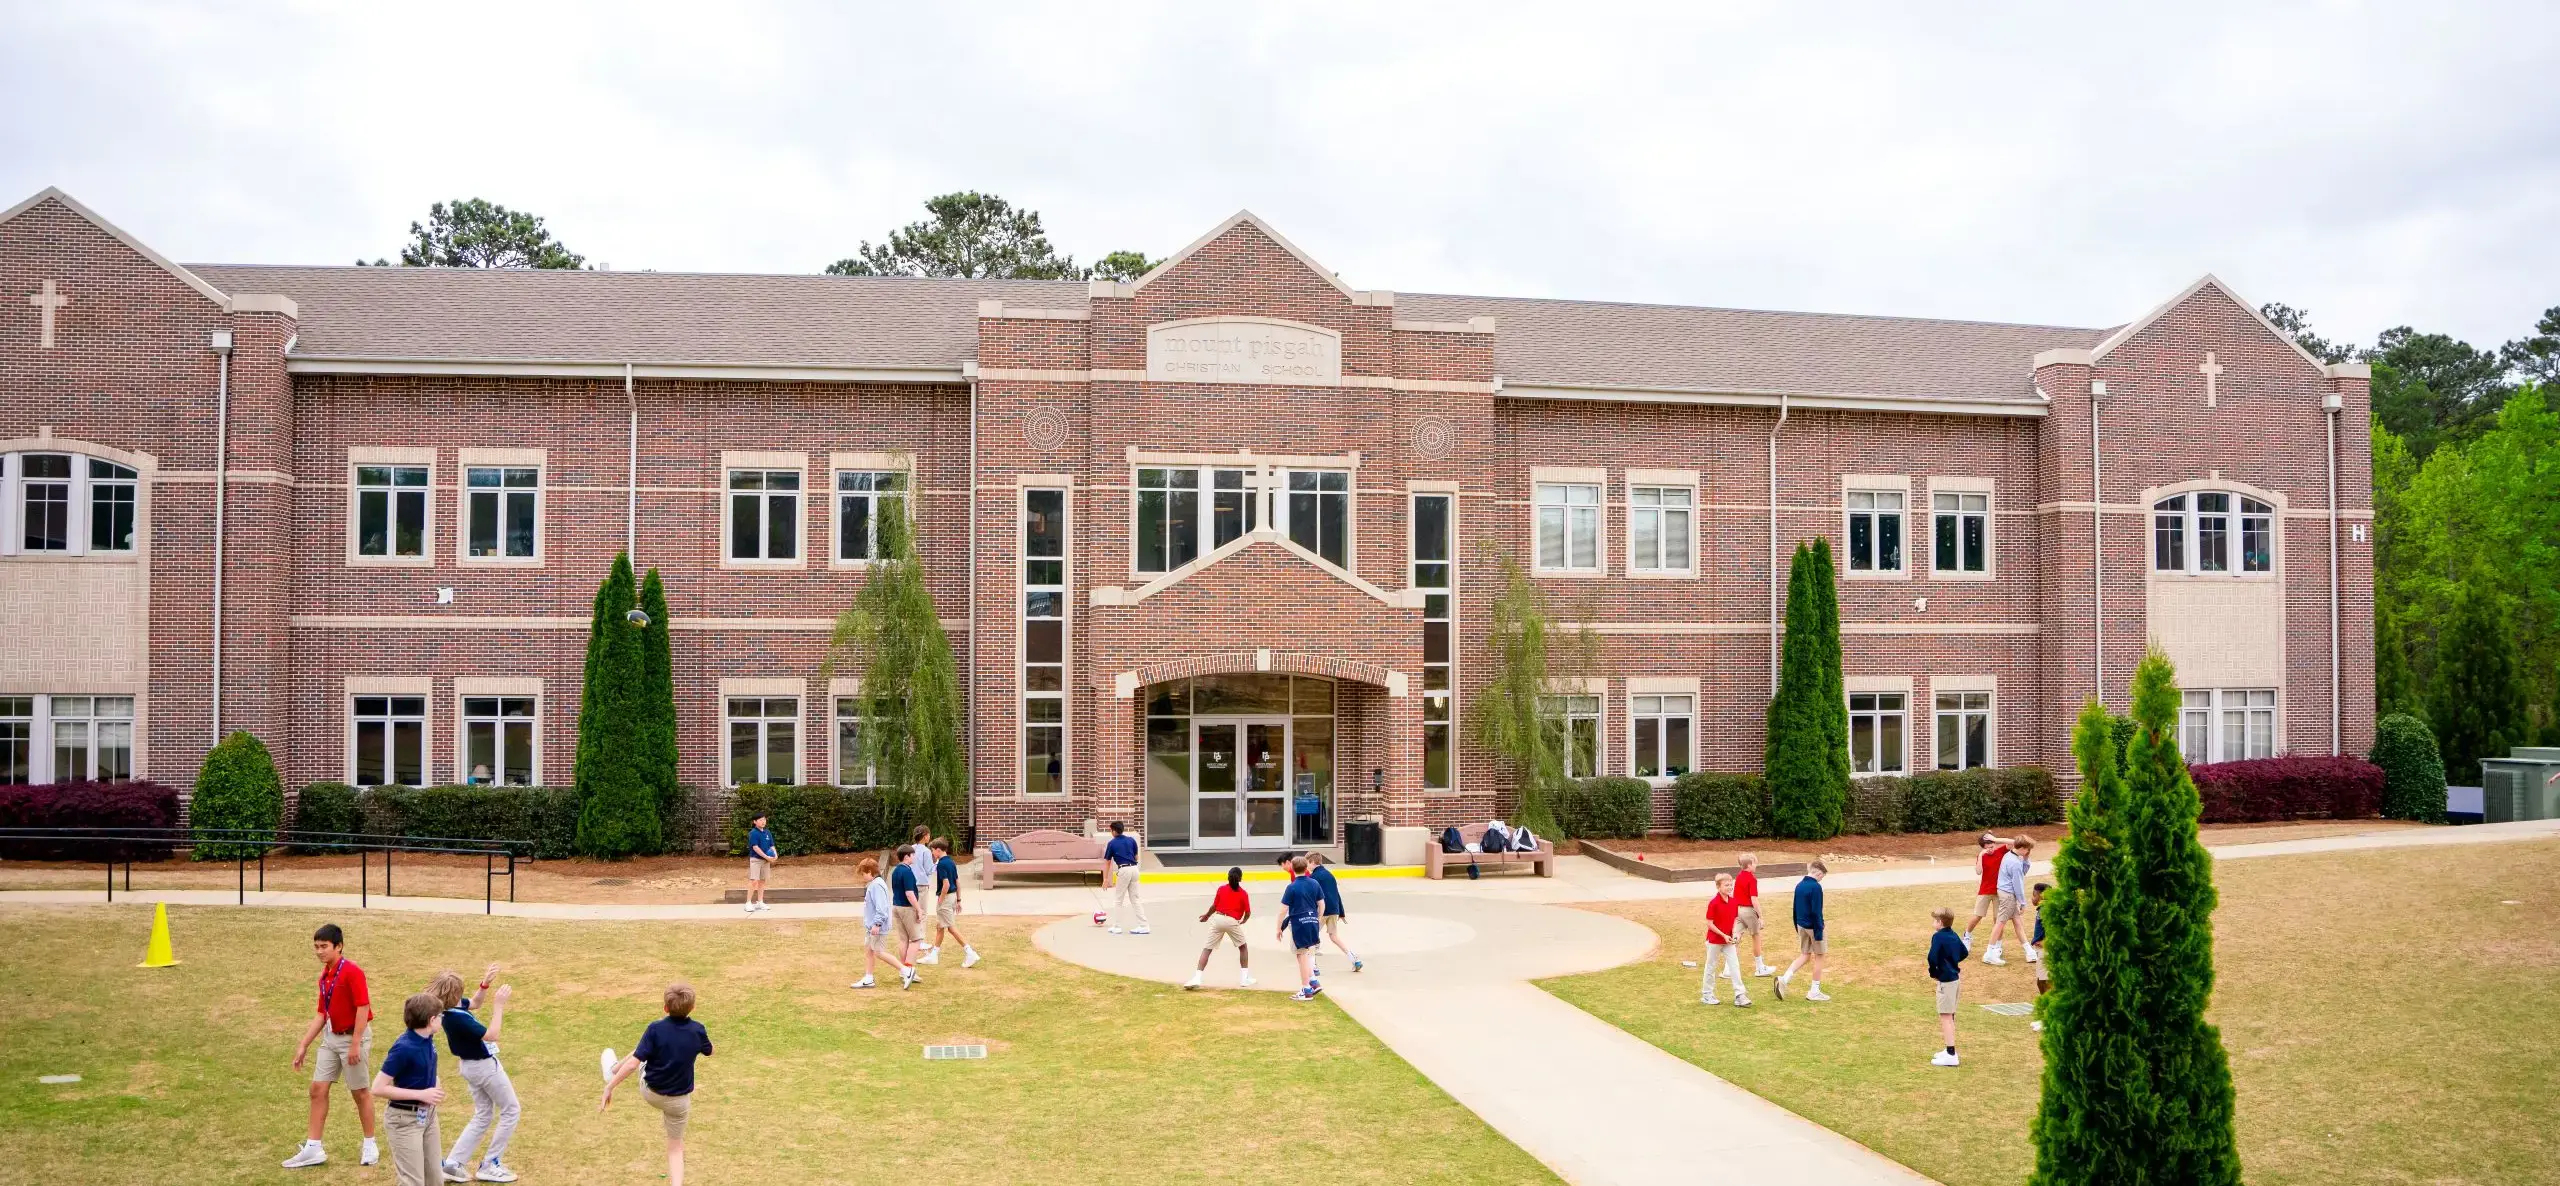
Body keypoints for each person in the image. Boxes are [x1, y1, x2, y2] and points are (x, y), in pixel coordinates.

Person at [285, 922, 379, 1169]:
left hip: (352, 1038)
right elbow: (321, 1014)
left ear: (339, 946)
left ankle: (370, 1144)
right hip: (331, 1037)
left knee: (359, 1092)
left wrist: (355, 1044)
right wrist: (304, 1044)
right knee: (317, 1089)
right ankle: (314, 1148)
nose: (319, 951)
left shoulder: (352, 972)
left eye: (324, 946)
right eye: (316, 946)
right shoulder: (325, 976)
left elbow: (363, 1007)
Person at [603, 984, 713, 1186]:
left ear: (665, 1008)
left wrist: (610, 1087)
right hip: (679, 1102)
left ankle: (612, 1071)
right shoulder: (698, 1030)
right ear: (693, 1008)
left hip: (651, 1092)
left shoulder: (655, 1028)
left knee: (642, 1049)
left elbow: (633, 1065)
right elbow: (710, 1051)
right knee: (676, 1147)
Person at [433, 966, 521, 1183]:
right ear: (453, 995)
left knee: (483, 1114)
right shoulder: (458, 1019)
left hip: (470, 1066)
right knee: (511, 1109)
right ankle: (491, 1163)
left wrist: (485, 984)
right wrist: (499, 1006)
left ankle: (453, 1163)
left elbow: (475, 1002)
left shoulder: (449, 1010)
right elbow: (492, 1035)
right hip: (484, 1068)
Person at [372, 992, 448, 1186]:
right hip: (404, 1120)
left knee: (435, 1179)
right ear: (431, 1020)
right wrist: (421, 1094)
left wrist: (435, 1082)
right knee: (412, 1182)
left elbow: (422, 1067)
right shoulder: (403, 1048)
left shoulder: (427, 1038)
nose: (442, 1019)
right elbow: (378, 1088)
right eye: (440, 1016)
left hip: (428, 1116)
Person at [1186, 866, 1255, 990]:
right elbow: (1248, 912)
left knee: (1207, 948)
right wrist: (1243, 921)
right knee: (1243, 947)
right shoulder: (1243, 893)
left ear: (1228, 877)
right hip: (1232, 921)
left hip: (1217, 919)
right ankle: (1244, 979)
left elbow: (1214, 906)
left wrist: (1207, 916)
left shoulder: (1221, 889)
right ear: (1240, 879)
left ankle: (1197, 977)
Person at [851, 855, 914, 989]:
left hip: (877, 926)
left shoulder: (877, 886)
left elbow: (882, 908)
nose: (862, 877)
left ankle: (906, 970)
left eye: (863, 874)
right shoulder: (874, 884)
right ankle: (868, 978)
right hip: (872, 926)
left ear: (869, 872)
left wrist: (877, 924)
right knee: (869, 950)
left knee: (878, 952)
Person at [1773, 860, 1830, 1001]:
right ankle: (1814, 991)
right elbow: (1816, 911)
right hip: (1813, 927)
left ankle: (1784, 979)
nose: (1822, 878)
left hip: (1801, 925)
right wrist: (1819, 931)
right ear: (1818, 872)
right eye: (1822, 875)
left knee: (1805, 955)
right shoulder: (1815, 887)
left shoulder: (1799, 885)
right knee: (1819, 956)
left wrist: (1796, 925)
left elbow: (1795, 908)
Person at [921, 838, 979, 968]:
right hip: (952, 898)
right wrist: (958, 900)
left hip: (946, 898)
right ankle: (934, 955)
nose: (932, 853)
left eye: (932, 851)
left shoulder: (941, 864)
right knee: (940, 926)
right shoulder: (951, 862)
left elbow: (946, 884)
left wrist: (940, 900)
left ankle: (970, 952)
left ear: (938, 850)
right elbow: (957, 882)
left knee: (951, 928)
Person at [1304, 852, 1365, 974]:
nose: (1307, 867)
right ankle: (1354, 958)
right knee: (1334, 936)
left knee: (1310, 939)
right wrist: (1341, 912)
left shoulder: (1313, 878)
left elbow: (1313, 897)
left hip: (1321, 911)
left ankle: (1313, 966)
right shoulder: (1329, 875)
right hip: (1334, 910)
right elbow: (1336, 894)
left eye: (1307, 864)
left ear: (1312, 862)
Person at [1277, 856, 1326, 1000]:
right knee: (1305, 953)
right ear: (1306, 868)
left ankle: (1306, 989)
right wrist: (1317, 918)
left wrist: (1278, 927)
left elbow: (1283, 910)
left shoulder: (1291, 887)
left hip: (1299, 923)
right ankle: (1313, 982)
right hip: (1312, 921)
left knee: (1302, 955)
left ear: (1292, 868)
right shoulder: (1314, 883)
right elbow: (1322, 904)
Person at [1701, 871, 1751, 1006]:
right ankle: (1707, 994)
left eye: (1731, 885)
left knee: (1734, 966)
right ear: (1718, 887)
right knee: (1711, 967)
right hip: (1714, 941)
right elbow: (1709, 923)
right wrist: (1723, 935)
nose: (1729, 887)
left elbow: (1734, 919)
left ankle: (1740, 995)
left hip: (1728, 941)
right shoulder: (1714, 903)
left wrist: (1735, 933)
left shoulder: (1734, 902)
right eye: (1726, 885)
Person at [1961, 831, 2014, 950]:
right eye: (1987, 848)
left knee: (1998, 919)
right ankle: (1967, 936)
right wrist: (1981, 855)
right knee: (1977, 915)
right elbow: (1978, 871)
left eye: (1992, 846)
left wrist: (1996, 839)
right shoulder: (1982, 856)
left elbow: (2014, 843)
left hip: (2000, 891)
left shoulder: (2001, 850)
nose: (1991, 849)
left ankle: (1997, 945)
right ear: (1983, 848)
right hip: (1985, 890)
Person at [1985, 837, 2034, 965]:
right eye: (2028, 850)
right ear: (2022, 848)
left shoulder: (2010, 854)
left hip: (2005, 893)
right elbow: (2018, 884)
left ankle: (2029, 951)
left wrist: (2026, 858)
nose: (2029, 852)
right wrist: (2023, 902)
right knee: (2000, 923)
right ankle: (1989, 953)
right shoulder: (2015, 863)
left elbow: (2023, 872)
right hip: (2008, 895)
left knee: (2017, 921)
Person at [1928, 906, 1966, 1066]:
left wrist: (1934, 972)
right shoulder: (1953, 935)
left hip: (1946, 981)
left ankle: (1951, 1053)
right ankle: (1949, 1050)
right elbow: (1964, 952)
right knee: (1950, 1015)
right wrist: (1952, 961)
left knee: (1945, 1017)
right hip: (1955, 979)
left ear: (1940, 922)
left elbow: (1932, 957)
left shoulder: (1938, 937)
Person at [1103, 820, 1148, 934]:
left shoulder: (1112, 843)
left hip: (1124, 870)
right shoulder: (1131, 840)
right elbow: (1136, 857)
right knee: (1135, 899)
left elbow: (1108, 862)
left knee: (1118, 900)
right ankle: (1143, 925)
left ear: (1113, 831)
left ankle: (1117, 926)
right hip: (1134, 869)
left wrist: (1105, 879)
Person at [1735, 852, 1774, 977]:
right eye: (1755, 863)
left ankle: (1728, 969)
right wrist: (1761, 917)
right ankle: (1759, 968)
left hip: (1739, 910)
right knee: (1756, 937)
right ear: (1750, 865)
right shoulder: (1752, 879)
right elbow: (1754, 899)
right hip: (1748, 911)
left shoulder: (1739, 876)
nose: (1756, 865)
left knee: (1737, 936)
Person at [2028, 881, 2052, 1031]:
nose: (2032, 898)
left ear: (2041, 895)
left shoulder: (2046, 910)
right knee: (2040, 982)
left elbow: (2055, 929)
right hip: (2040, 950)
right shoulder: (2041, 909)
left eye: (2034, 895)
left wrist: (2047, 943)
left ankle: (2049, 1019)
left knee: (2047, 983)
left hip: (2046, 951)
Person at [743, 814, 778, 914]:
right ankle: (748, 903)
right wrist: (766, 857)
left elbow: (772, 845)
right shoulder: (753, 833)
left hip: (766, 861)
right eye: (760, 820)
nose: (763, 821)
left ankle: (760, 902)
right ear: (755, 822)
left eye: (764, 820)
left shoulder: (767, 832)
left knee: (762, 881)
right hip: (756, 860)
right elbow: (755, 847)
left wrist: (775, 855)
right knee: (754, 881)